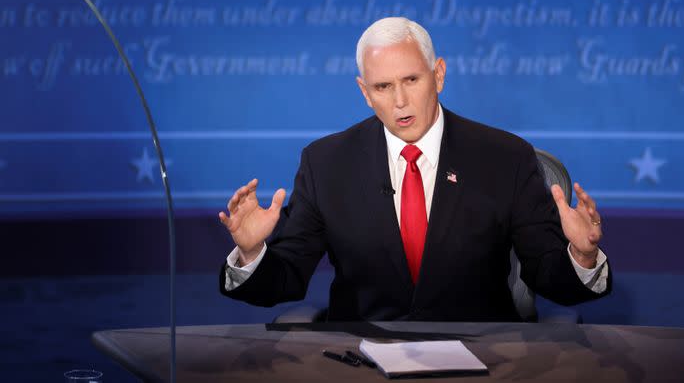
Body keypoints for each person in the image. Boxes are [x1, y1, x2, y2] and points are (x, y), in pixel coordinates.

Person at [218, 17, 610, 321]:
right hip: (363, 357)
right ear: (364, 92)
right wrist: (251, 253)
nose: (400, 101)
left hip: (481, 356)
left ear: (438, 74)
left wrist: (582, 256)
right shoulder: (327, 164)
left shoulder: (505, 157)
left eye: (411, 79)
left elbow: (546, 272)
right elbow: (287, 277)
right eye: (384, 87)